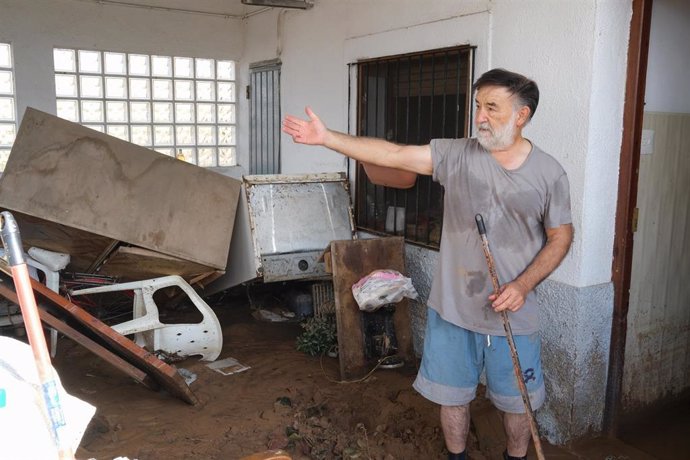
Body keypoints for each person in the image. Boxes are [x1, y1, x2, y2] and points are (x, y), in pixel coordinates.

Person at [282, 68, 573, 460]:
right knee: (452, 395)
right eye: (477, 106)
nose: (480, 117)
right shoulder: (455, 154)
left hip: (515, 314)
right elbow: (394, 154)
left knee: (517, 401)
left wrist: (523, 285)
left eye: (492, 108)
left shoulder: (549, 173)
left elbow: (561, 237)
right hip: (453, 307)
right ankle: (457, 457)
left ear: (521, 115)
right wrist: (327, 138)